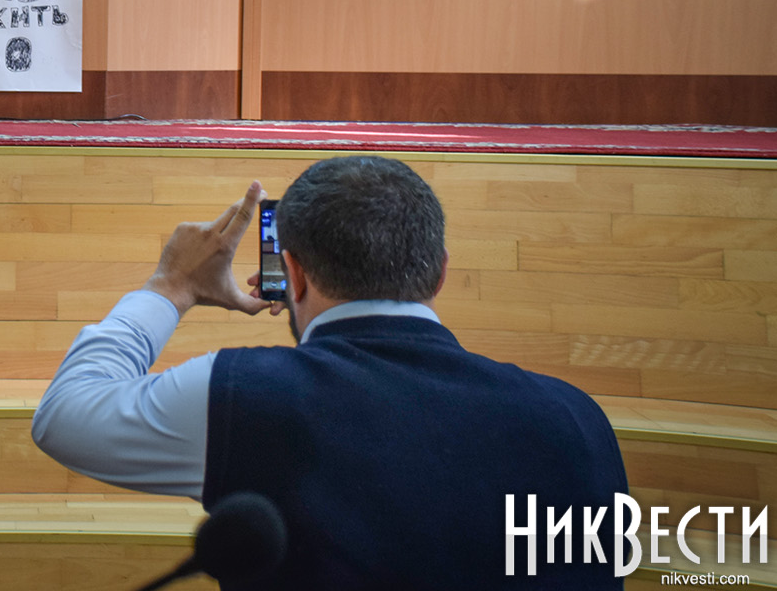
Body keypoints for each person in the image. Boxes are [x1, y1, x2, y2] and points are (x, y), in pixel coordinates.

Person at [32, 156, 627, 590]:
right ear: (440, 273)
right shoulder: (577, 417)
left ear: (292, 275)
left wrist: (172, 286)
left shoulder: (246, 394)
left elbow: (65, 413)